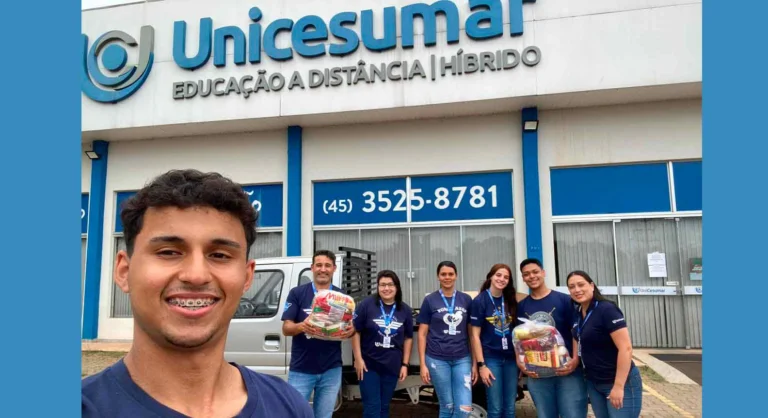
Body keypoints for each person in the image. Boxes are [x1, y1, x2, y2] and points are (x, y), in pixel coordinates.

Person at [81, 169, 313, 418]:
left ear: (247, 277)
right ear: (124, 271)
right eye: (168, 252)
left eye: (220, 255)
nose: (196, 275)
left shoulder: (289, 407)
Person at [281, 249, 356, 418]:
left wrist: (351, 330)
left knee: (324, 415)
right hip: (301, 369)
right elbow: (286, 328)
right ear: (312, 268)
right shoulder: (297, 293)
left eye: (327, 265)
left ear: (334, 269)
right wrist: (302, 326)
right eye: (319, 265)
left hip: (331, 369)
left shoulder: (342, 297)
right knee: (295, 414)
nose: (323, 269)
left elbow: (350, 328)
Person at [517, 258, 587, 418]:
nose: (531, 276)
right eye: (526, 274)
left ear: (543, 273)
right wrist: (520, 362)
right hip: (538, 373)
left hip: (567, 371)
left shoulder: (565, 300)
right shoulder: (522, 306)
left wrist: (575, 359)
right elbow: (520, 340)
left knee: (573, 414)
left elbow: (575, 332)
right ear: (523, 278)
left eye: (535, 272)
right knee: (545, 414)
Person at [566, 271, 642, 418]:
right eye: (572, 287)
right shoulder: (578, 312)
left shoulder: (606, 309)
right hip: (594, 382)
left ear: (592, 285)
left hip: (617, 381)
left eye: (581, 285)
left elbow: (625, 348)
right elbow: (576, 335)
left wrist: (618, 386)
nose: (577, 290)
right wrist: (575, 359)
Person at [417, 261, 477, 418]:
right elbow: (422, 334)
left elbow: (472, 334)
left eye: (450, 274)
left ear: (456, 276)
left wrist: (475, 363)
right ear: (438, 277)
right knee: (447, 406)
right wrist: (422, 364)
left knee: (464, 409)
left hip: (462, 358)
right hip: (437, 359)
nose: (447, 277)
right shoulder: (430, 300)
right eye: (443, 274)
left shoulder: (466, 300)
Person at [352, 270, 414, 418]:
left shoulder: (404, 310)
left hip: (391, 366)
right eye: (382, 285)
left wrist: (405, 364)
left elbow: (408, 338)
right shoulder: (366, 305)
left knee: (384, 407)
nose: (386, 288)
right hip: (368, 365)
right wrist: (358, 359)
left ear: (397, 287)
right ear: (378, 287)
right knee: (372, 408)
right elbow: (355, 331)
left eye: (390, 285)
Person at [469, 264, 520, 418]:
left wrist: (520, 361)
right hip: (491, 359)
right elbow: (475, 336)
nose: (501, 279)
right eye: (498, 275)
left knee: (510, 408)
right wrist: (481, 365)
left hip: (511, 359)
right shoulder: (480, 301)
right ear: (490, 276)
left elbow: (517, 333)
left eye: (506, 277)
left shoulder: (510, 300)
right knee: (495, 408)